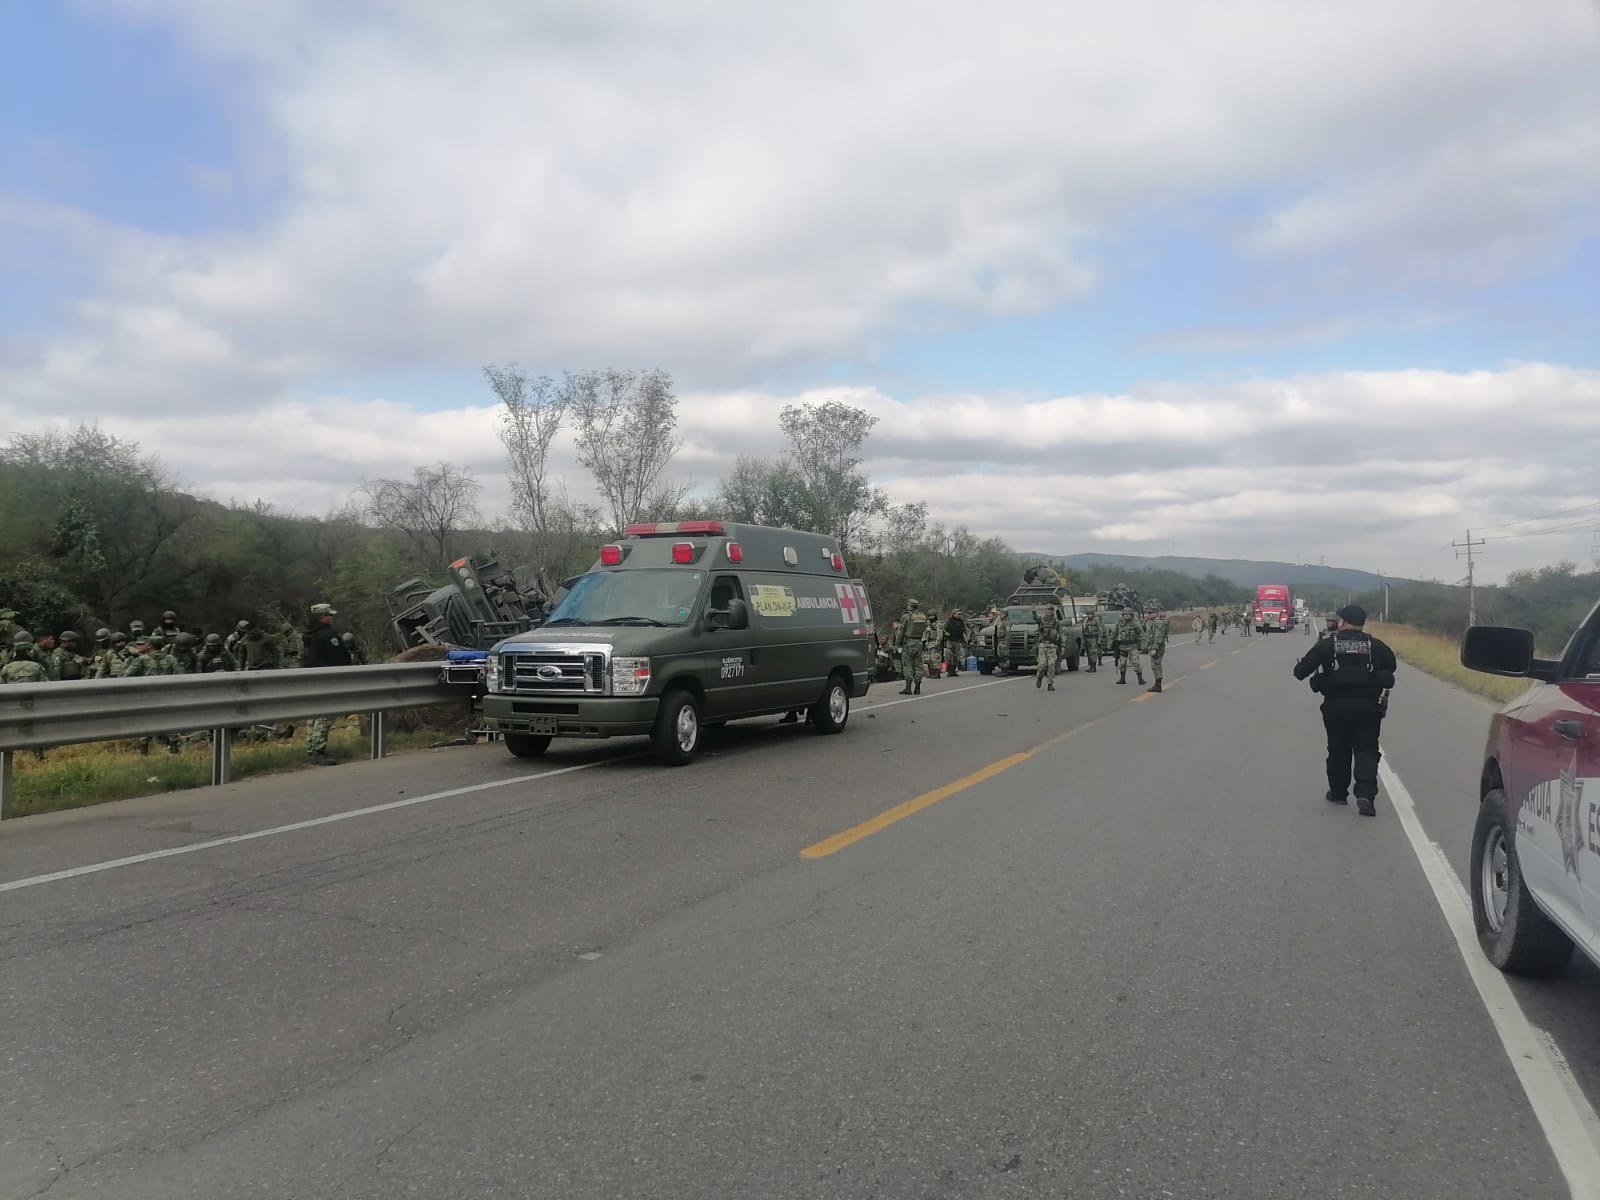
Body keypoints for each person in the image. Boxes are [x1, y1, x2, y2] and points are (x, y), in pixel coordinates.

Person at [1292, 605, 1397, 817]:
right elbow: (1391, 667)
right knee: (1366, 749)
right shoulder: (1376, 646)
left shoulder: (1327, 644)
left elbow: (1300, 672)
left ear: (1341, 622)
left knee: (1338, 749)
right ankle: (1366, 795)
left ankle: (1339, 793)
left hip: (1336, 706)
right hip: (1368, 707)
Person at [301, 602, 352, 764]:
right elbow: (337, 658)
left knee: (314, 716)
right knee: (325, 715)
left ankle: (311, 750)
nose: (332, 617)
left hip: (313, 679)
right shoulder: (327, 635)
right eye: (330, 615)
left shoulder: (308, 635)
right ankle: (319, 752)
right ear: (323, 617)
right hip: (327, 679)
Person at [892, 598, 930, 695]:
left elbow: (900, 632)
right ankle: (917, 687)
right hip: (919, 642)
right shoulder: (922, 616)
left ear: (910, 606)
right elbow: (926, 630)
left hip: (908, 642)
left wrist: (896, 644)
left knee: (907, 664)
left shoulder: (906, 616)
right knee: (918, 665)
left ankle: (908, 687)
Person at [1113, 609, 1146, 686]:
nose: (1126, 616)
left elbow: (1141, 634)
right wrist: (1110, 643)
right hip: (1122, 647)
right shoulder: (1119, 623)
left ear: (1131, 615)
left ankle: (1140, 679)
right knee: (1122, 664)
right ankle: (1122, 678)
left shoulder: (1135, 623)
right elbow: (1114, 633)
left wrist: (1142, 645)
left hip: (1132, 646)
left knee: (1136, 663)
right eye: (1125, 614)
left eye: (1128, 614)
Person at [1143, 601, 1170, 693]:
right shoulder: (1151, 622)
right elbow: (1148, 635)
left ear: (1156, 613)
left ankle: (1158, 685)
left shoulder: (1158, 623)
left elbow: (1158, 636)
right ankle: (1157, 684)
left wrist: (1154, 648)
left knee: (1156, 665)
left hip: (1157, 647)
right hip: (1153, 646)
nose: (1148, 614)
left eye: (1150, 613)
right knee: (1155, 665)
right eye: (1148, 613)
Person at [1034, 605, 1061, 691]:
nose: (1050, 611)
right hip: (1043, 645)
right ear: (1046, 611)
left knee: (1051, 665)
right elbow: (1035, 618)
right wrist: (1034, 611)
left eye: (1051, 610)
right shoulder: (1042, 620)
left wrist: (1062, 646)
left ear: (1053, 611)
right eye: (1048, 610)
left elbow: (1060, 634)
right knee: (1042, 664)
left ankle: (1050, 683)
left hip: (1052, 645)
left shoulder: (1056, 622)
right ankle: (1039, 677)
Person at [943, 609, 968, 676]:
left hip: (957, 641)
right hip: (950, 640)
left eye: (960, 614)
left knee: (956, 656)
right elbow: (943, 628)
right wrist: (946, 634)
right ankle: (949, 670)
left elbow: (965, 630)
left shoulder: (961, 622)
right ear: (953, 614)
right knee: (949, 655)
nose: (959, 615)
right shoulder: (949, 621)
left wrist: (966, 638)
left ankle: (953, 670)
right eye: (958, 614)